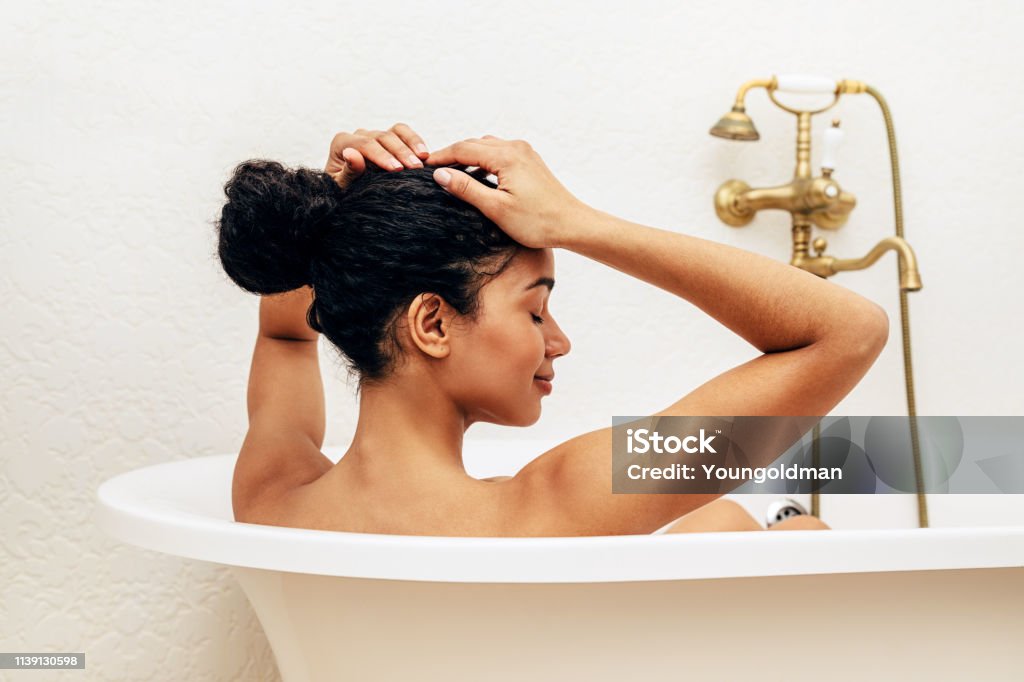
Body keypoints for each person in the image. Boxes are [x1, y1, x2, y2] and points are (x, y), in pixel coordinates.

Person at [217, 123, 888, 536]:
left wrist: (331, 219)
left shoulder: (273, 497)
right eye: (535, 310)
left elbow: (285, 335)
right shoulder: (562, 506)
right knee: (799, 532)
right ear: (432, 322)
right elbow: (847, 332)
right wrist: (575, 222)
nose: (558, 341)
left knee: (720, 522)